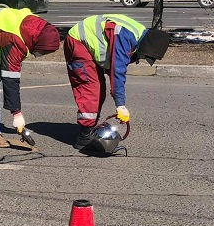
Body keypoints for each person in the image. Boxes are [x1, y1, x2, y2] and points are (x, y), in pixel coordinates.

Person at [63, 14, 171, 149]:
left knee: (98, 89)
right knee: (92, 90)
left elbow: (117, 61)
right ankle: (84, 138)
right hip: (78, 42)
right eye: (145, 56)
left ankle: (89, 128)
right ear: (147, 46)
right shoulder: (125, 37)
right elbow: (117, 70)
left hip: (88, 42)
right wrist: (120, 105)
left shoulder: (139, 34)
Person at [0, 6, 61, 147]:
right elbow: (11, 81)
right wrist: (17, 114)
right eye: (41, 52)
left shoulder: (36, 26)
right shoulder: (16, 41)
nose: (37, 55)